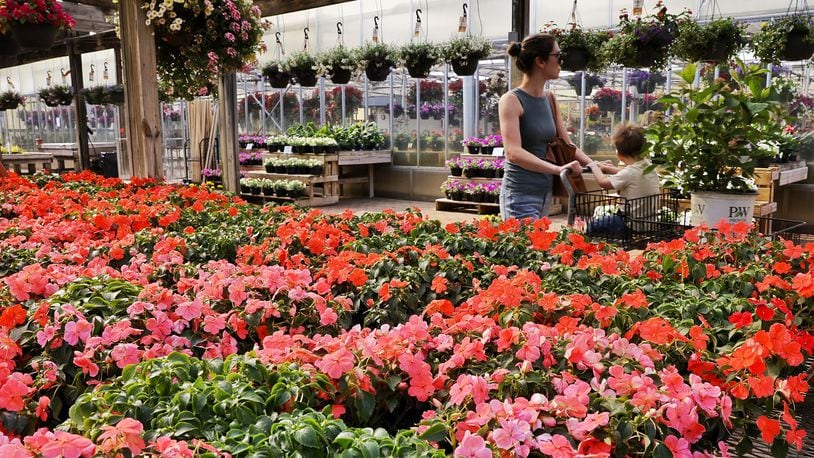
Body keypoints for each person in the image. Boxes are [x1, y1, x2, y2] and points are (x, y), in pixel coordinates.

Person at [499, 33, 611, 220]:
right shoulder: (511, 100)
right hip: (519, 196)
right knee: (527, 247)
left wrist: (592, 164)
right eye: (558, 56)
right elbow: (514, 153)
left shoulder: (549, 98)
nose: (562, 61)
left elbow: (567, 145)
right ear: (540, 62)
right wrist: (558, 170)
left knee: (537, 248)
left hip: (544, 194)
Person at [586, 123, 660, 233]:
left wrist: (593, 167)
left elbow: (603, 182)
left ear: (619, 155)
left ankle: (592, 248)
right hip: (648, 223)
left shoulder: (629, 173)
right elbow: (631, 174)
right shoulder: (648, 166)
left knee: (593, 225)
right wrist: (608, 169)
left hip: (629, 222)